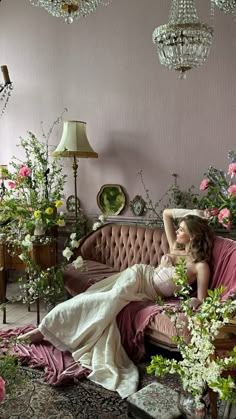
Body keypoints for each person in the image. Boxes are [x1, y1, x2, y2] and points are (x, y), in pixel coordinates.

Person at [18, 208, 214, 398]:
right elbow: (167, 213)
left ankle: (50, 329)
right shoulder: (175, 248)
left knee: (96, 302)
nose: (177, 231)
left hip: (147, 293)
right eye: (178, 228)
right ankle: (44, 329)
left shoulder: (200, 266)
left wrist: (193, 302)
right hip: (138, 276)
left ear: (193, 236)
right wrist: (194, 213)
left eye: (182, 230)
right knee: (102, 300)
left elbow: (202, 299)